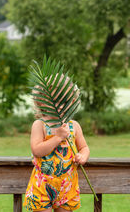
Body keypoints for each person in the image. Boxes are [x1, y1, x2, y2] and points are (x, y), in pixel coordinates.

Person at [24, 75, 90, 211]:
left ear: (71, 102)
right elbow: (36, 150)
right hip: (43, 185)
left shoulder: (74, 126)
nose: (60, 106)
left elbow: (83, 147)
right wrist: (57, 137)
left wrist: (83, 156)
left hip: (67, 185)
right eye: (54, 101)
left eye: (64, 101)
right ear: (42, 101)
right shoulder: (40, 125)